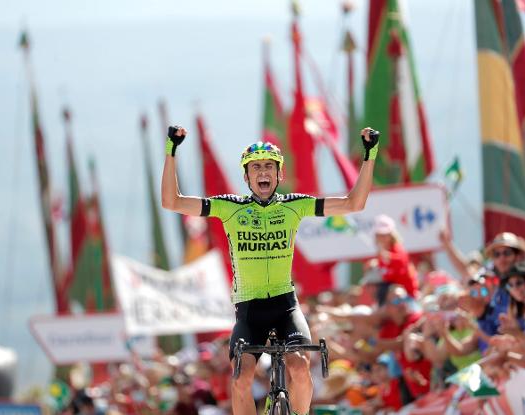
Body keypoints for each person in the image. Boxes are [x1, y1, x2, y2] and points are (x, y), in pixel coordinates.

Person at [161, 125, 380, 415]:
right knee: (242, 377)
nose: (262, 172)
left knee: (300, 366)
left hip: (285, 305)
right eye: (256, 168)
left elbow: (354, 203)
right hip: (249, 310)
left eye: (269, 167)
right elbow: (171, 201)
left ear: (279, 175)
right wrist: (171, 150)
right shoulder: (230, 207)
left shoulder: (294, 205)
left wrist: (370, 154)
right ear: (246, 177)